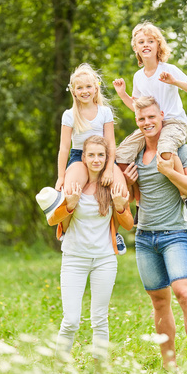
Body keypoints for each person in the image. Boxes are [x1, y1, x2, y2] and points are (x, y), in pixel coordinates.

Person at [123, 97, 187, 372]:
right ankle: (169, 365)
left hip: (175, 234)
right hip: (146, 238)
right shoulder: (134, 155)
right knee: (159, 301)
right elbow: (131, 197)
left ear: (161, 116)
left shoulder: (182, 151)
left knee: (184, 292)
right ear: (137, 122)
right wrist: (128, 181)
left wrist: (171, 173)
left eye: (151, 117)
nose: (147, 123)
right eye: (141, 119)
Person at [36, 135, 134, 361]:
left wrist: (120, 208)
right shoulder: (74, 185)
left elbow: (128, 225)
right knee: (70, 320)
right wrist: (70, 204)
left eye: (101, 155)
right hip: (74, 259)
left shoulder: (112, 187)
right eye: (92, 155)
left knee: (100, 319)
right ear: (84, 157)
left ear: (106, 158)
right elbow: (53, 220)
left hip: (104, 260)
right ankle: (59, 368)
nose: (96, 159)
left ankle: (100, 372)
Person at [113, 21, 187, 222]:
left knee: (165, 148)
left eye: (150, 41)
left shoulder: (168, 69)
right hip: (151, 125)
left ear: (158, 45)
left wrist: (175, 82)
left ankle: (186, 196)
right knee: (122, 154)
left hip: (173, 123)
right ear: (135, 48)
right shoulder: (138, 77)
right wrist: (122, 94)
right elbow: (139, 110)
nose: (146, 44)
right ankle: (138, 203)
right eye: (141, 41)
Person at [55, 62, 126, 254]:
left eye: (88, 87)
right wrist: (61, 176)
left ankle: (115, 232)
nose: (85, 91)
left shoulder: (104, 112)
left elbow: (111, 144)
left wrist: (110, 168)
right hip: (79, 156)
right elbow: (64, 148)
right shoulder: (70, 115)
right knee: (70, 189)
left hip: (103, 157)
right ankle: (65, 230)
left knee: (121, 189)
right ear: (74, 92)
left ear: (96, 88)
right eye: (80, 88)